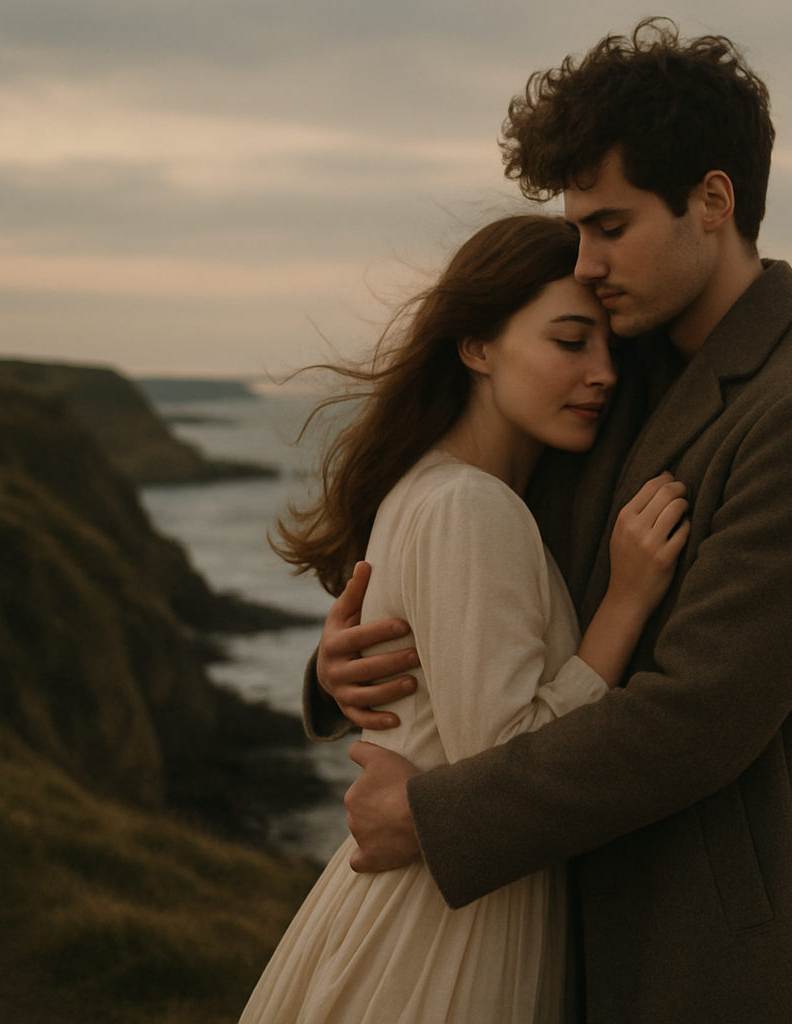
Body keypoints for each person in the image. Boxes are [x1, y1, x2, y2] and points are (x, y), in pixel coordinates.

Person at [309, 19, 792, 1023]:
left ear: (712, 202)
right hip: (552, 921)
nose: (585, 261)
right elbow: (481, 549)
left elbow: (694, 719)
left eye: (610, 225)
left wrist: (434, 815)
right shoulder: (608, 365)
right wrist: (350, 661)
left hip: (713, 950)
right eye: (578, 227)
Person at [239, 215, 689, 1023]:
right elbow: (508, 758)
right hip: (444, 935)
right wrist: (623, 607)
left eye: (609, 349)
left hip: (428, 903)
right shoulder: (471, 506)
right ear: (477, 347)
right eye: (569, 342)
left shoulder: (431, 487)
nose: (604, 374)